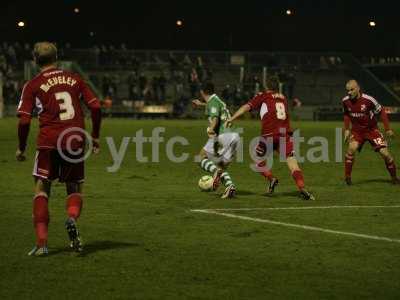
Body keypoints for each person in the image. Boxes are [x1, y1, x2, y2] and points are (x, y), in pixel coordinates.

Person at [16, 42, 102, 256]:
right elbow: (96, 106)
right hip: (74, 140)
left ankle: (42, 243)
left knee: (42, 188)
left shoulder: (32, 84)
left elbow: (25, 121)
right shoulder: (74, 78)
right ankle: (71, 218)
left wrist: (21, 148)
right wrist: (96, 136)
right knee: (74, 187)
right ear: (57, 58)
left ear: (35, 60)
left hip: (48, 141)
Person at [227, 76, 315, 200]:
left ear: (266, 86)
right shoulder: (283, 98)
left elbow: (246, 107)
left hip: (269, 135)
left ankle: (271, 178)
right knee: (293, 164)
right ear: (277, 86)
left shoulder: (263, 96)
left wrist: (232, 118)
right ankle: (302, 188)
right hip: (285, 135)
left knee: (256, 158)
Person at [342, 79, 399, 185]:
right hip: (357, 131)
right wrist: (346, 129)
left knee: (385, 154)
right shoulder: (345, 100)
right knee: (351, 149)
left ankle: (394, 178)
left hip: (372, 130)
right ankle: (347, 178)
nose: (349, 93)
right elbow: (346, 114)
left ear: (358, 88)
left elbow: (381, 111)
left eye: (351, 90)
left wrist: (388, 129)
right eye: (347, 91)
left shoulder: (368, 100)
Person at [192, 81, 239, 199]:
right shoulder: (217, 101)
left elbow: (215, 118)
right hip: (235, 137)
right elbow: (215, 107)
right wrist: (201, 104)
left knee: (199, 158)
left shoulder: (212, 102)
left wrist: (211, 129)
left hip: (222, 135)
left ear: (202, 92)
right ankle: (230, 187)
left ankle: (215, 172)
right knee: (222, 166)